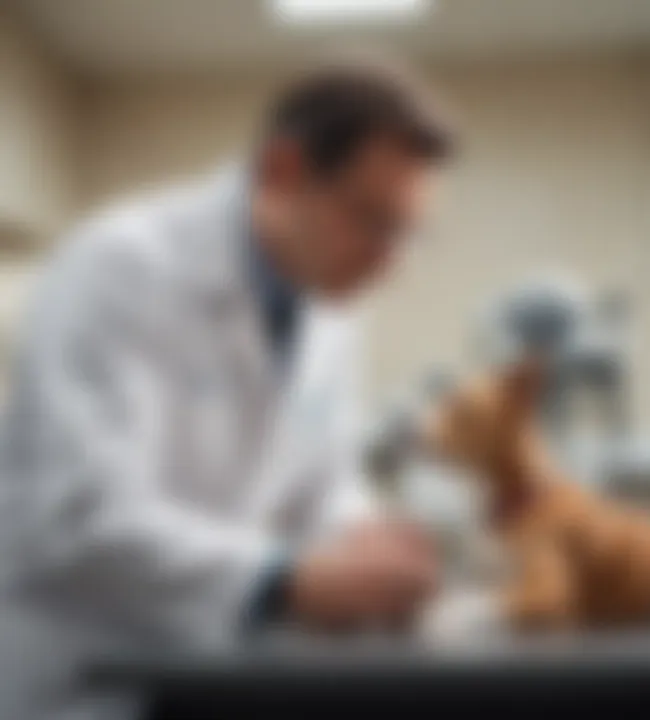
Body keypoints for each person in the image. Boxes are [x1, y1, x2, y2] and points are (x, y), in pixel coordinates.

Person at [0, 54, 455, 719]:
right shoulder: (120, 267)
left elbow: (322, 483)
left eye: (407, 232)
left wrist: (365, 543)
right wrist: (284, 579)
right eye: (371, 221)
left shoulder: (330, 304)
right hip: (80, 678)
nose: (390, 262)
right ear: (282, 171)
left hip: (215, 666)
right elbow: (78, 516)